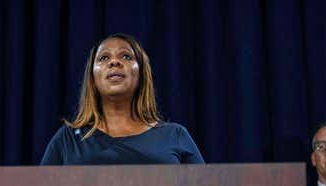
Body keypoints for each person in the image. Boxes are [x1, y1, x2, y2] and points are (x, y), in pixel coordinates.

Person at [41, 33, 204, 165]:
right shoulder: (67, 139)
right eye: (103, 58)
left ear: (141, 74)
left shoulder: (175, 135)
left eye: (126, 56)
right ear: (92, 77)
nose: (114, 62)